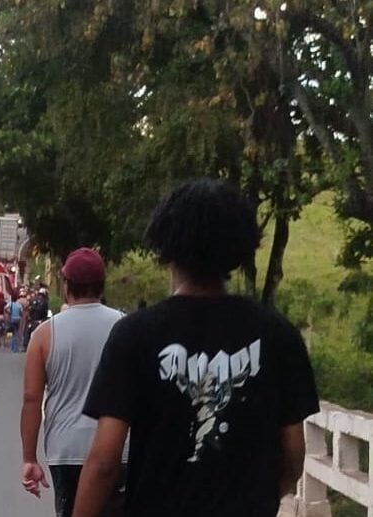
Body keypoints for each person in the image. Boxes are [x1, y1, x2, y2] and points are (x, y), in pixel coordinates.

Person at [73, 179, 320, 517]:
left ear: (166, 246)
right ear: (240, 248)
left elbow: (104, 460)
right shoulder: (279, 335)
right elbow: (293, 455)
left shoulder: (135, 335)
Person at [20, 248, 127, 517]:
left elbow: (32, 399)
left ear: (66, 285)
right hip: (118, 447)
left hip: (66, 449)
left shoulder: (44, 335)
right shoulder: (126, 326)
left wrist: (30, 458)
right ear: (102, 285)